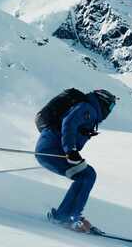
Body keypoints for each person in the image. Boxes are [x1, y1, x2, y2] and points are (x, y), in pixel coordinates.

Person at [34, 88, 117, 233]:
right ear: (103, 102)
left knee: (86, 175)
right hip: (51, 150)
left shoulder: (89, 110)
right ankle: (69, 217)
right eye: (110, 106)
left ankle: (69, 215)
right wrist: (71, 150)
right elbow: (69, 123)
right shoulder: (88, 108)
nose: (110, 111)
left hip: (50, 150)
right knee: (87, 175)